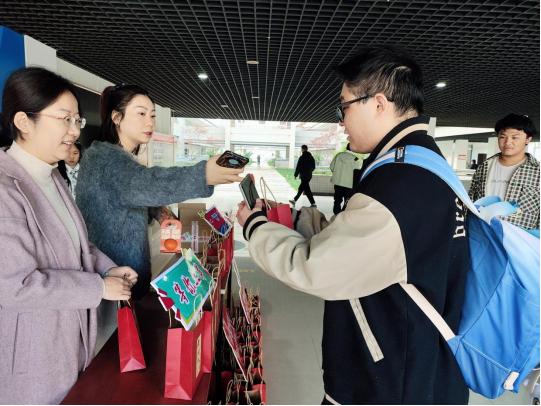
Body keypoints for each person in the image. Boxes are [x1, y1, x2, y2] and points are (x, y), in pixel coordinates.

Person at [237, 46, 469, 405]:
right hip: (423, 366)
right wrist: (295, 219)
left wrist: (254, 226)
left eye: (343, 107)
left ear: (378, 104)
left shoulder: (398, 184)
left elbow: (314, 268)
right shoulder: (424, 164)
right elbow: (360, 239)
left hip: (387, 382)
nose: (340, 122)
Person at [0, 67, 138, 405]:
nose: (75, 130)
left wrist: (108, 269)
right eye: (65, 119)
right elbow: (15, 286)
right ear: (23, 121)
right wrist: (98, 287)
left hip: (73, 340)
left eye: (77, 120)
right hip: (35, 358)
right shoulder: (5, 189)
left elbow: (77, 243)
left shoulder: (52, 177)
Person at [76, 84, 244, 301]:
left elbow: (127, 192)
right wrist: (203, 175)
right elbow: (149, 182)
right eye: (141, 113)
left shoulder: (107, 155)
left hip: (116, 275)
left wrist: (156, 210)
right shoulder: (108, 160)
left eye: (152, 115)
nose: (150, 122)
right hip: (115, 280)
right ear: (116, 117)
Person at [469, 113, 539, 230]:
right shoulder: (484, 167)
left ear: (528, 139)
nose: (507, 142)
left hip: (520, 238)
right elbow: (471, 201)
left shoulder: (537, 172)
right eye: (502, 137)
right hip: (483, 234)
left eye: (514, 137)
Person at [330, 143, 361, 215]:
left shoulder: (338, 156)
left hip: (338, 182)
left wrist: (337, 174)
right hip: (349, 184)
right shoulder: (355, 159)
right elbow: (356, 173)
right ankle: (344, 216)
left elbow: (332, 167)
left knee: (337, 200)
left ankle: (336, 215)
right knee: (347, 201)